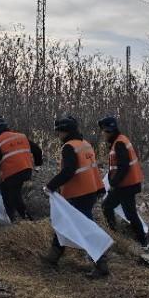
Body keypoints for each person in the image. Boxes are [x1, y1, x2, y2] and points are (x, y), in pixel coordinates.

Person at [43, 115, 109, 278]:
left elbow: (68, 171)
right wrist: (99, 188)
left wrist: (50, 185)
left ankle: (101, 263)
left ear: (66, 131)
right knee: (65, 223)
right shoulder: (85, 144)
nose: (58, 135)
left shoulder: (68, 147)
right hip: (90, 191)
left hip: (78, 193)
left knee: (85, 228)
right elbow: (93, 169)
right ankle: (53, 257)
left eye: (59, 131)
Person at [98, 116, 149, 250]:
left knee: (124, 212)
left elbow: (124, 166)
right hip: (127, 185)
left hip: (125, 186)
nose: (102, 134)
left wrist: (113, 183)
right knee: (109, 206)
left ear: (108, 131)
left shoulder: (119, 143)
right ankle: (125, 237)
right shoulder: (120, 140)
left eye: (103, 131)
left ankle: (142, 243)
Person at [0, 118, 43, 221]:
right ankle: (13, 217)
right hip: (27, 170)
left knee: (13, 194)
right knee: (8, 190)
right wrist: (38, 164)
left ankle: (26, 219)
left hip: (12, 173)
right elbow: (37, 150)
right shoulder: (21, 136)